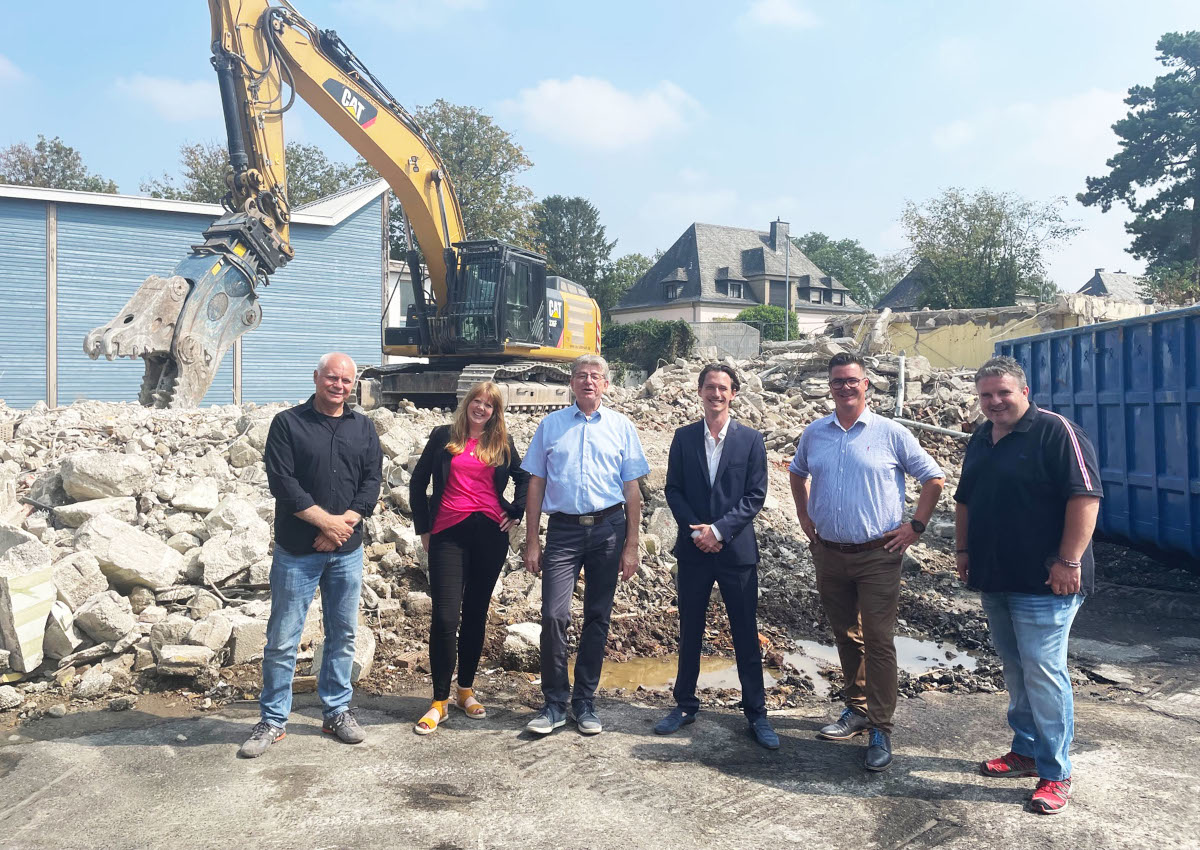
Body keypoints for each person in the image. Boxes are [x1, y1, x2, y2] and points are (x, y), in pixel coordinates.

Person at [956, 356, 1101, 815]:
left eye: (1003, 393)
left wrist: (1068, 561)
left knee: (1043, 670)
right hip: (996, 576)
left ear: (1024, 391)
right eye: (986, 395)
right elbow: (965, 499)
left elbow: (1085, 497)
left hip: (1047, 580)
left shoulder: (1056, 432)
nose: (995, 402)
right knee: (1016, 668)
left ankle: (1056, 772)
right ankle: (1025, 749)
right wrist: (963, 552)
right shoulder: (982, 436)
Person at [789, 352, 944, 772]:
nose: (844, 387)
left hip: (879, 555)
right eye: (837, 381)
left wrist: (916, 526)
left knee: (878, 639)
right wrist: (805, 517)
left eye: (851, 381)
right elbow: (796, 472)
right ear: (830, 386)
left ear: (866, 385)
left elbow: (933, 478)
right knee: (845, 634)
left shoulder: (891, 433)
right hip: (829, 553)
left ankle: (880, 727)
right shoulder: (815, 433)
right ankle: (856, 709)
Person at [239, 352, 383, 758]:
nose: (338, 385)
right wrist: (326, 524)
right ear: (316, 378)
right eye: (331, 378)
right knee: (283, 638)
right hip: (297, 553)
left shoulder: (364, 428)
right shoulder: (288, 424)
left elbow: (371, 482)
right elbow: (284, 485)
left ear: (353, 385)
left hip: (345, 552)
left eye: (346, 380)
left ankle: (336, 711)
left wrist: (342, 527)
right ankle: (272, 719)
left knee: (342, 635)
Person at [521, 354, 649, 736]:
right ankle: (554, 703)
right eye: (581, 376)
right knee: (553, 614)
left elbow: (632, 491)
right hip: (563, 531)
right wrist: (531, 540)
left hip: (609, 530)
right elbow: (536, 485)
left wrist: (632, 544)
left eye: (595, 376)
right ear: (571, 384)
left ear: (606, 385)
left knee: (598, 616)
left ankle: (585, 701)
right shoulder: (551, 426)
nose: (588, 382)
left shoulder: (622, 427)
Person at [655, 364, 776, 748]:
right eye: (710, 387)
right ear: (700, 391)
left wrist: (719, 531)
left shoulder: (751, 440)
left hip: (735, 552)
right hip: (694, 550)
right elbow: (673, 490)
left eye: (723, 388)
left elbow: (755, 496)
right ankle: (685, 705)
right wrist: (698, 530)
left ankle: (756, 714)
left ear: (734, 393)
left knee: (744, 633)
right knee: (689, 630)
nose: (716, 394)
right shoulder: (683, 437)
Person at [408, 382, 529, 734]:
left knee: (476, 614)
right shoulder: (444, 436)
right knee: (445, 617)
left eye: (488, 405)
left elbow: (525, 478)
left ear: (495, 412)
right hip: (447, 534)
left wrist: (517, 511)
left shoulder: (501, 443)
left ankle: (465, 690)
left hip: (490, 535)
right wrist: (424, 529)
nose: (481, 408)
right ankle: (439, 701)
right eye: (476, 401)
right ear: (468, 403)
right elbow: (418, 484)